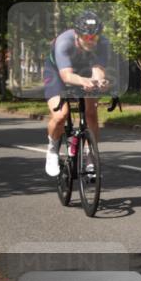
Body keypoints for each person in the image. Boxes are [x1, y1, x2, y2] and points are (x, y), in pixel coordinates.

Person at [43, 11, 111, 177]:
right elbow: (66, 76)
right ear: (77, 34)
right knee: (61, 115)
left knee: (91, 113)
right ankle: (52, 150)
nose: (91, 41)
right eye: (86, 37)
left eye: (94, 37)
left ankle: (90, 154)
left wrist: (99, 82)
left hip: (84, 69)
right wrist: (83, 81)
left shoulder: (103, 43)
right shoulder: (63, 43)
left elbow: (97, 71)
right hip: (57, 71)